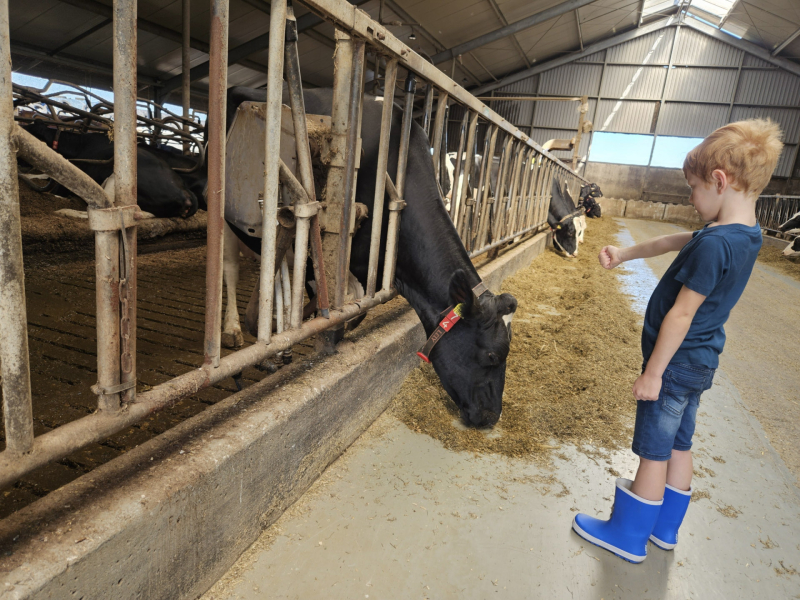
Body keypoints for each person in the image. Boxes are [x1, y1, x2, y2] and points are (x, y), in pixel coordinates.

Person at [571, 119, 783, 563]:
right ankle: (665, 530)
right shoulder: (744, 235)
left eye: (693, 188)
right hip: (701, 363)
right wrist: (625, 253)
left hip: (673, 365)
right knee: (680, 445)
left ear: (719, 181)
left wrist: (652, 374)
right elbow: (671, 240)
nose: (690, 198)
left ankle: (626, 536)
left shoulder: (714, 246)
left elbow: (681, 313)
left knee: (653, 452)